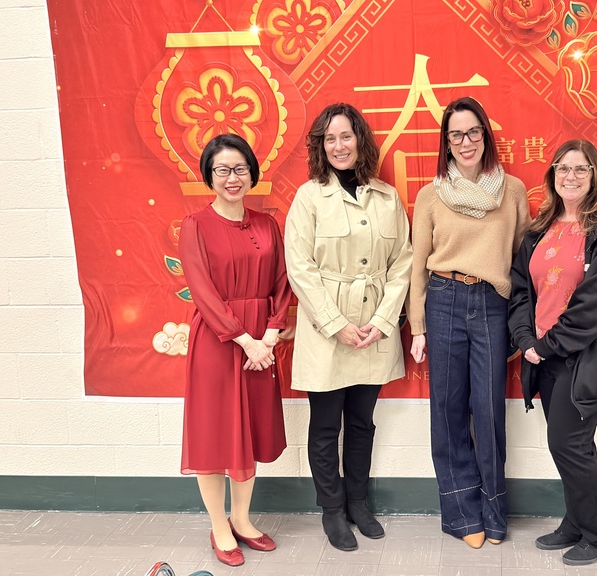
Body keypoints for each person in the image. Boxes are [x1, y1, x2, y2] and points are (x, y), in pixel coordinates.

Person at [285, 102, 413, 552]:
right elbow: (300, 267)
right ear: (321, 147)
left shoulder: (387, 197)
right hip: (327, 329)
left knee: (362, 422)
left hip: (373, 328)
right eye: (330, 139)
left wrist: (382, 320)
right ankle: (332, 510)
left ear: (360, 140)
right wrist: (335, 324)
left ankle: (358, 502)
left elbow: (403, 263)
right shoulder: (308, 197)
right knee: (325, 426)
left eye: (346, 136)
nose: (339, 146)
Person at [408, 96, 531, 549]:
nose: (465, 142)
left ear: (485, 135)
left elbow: (522, 261)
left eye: (473, 132)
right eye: (456, 134)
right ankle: (462, 515)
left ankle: (494, 515)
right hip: (443, 299)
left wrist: (522, 322)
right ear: (446, 141)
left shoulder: (512, 190)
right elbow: (417, 265)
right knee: (448, 411)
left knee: (489, 410)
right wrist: (417, 326)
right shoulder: (431, 195)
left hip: (492, 302)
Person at [507, 139, 597, 566]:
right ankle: (577, 522)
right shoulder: (539, 230)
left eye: (581, 169)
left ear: (595, 175)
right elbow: (521, 290)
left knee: (568, 444)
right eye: (563, 168)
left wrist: (546, 346)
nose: (571, 176)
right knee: (574, 445)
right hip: (544, 357)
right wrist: (526, 340)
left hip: (584, 360)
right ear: (553, 175)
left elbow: (595, 304)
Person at [178, 133, 293, 567]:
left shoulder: (267, 224)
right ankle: (219, 525)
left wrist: (270, 335)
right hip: (218, 341)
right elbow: (202, 291)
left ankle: (242, 519)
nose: (232, 178)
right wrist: (244, 339)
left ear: (252, 173)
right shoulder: (195, 225)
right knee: (214, 435)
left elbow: (281, 282)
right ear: (209, 176)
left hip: (261, 344)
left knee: (250, 431)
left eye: (240, 168)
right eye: (222, 170)